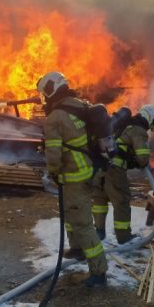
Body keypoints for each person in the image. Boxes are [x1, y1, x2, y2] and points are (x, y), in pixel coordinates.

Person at [37, 71, 109, 288]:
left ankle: (99, 272)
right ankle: (77, 248)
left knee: (82, 222)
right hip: (88, 170)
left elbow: (53, 153)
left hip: (74, 175)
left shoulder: (55, 118)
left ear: (50, 91)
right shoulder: (80, 105)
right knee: (71, 213)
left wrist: (53, 172)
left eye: (44, 94)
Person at [92, 104, 154, 243]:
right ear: (150, 118)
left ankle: (99, 231)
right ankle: (123, 236)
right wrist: (134, 161)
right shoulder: (138, 131)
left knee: (99, 199)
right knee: (121, 202)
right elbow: (143, 158)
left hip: (100, 167)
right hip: (115, 170)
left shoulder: (121, 126)